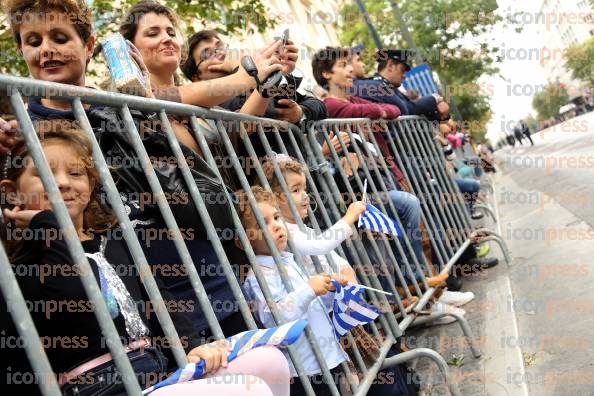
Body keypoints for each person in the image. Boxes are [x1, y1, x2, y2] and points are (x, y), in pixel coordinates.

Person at [0, 0, 253, 348]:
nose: (47, 51)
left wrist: (149, 123)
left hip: (217, 288)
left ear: (89, 47)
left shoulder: (128, 110)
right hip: (137, 327)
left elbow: (208, 200)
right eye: (33, 41)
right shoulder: (22, 139)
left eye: (59, 38)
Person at [0, 120, 290, 396]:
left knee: (271, 362)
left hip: (154, 373)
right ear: (11, 193)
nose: (61, 183)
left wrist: (189, 346)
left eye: (75, 173)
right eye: (44, 173)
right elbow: (71, 298)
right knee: (249, 390)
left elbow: (157, 300)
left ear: (90, 185)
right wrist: (50, 228)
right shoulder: (24, 264)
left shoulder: (111, 241)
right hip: (102, 387)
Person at [238, 186, 350, 396]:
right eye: (263, 224)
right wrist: (309, 289)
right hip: (305, 371)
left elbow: (312, 306)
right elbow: (274, 320)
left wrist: (330, 289)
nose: (277, 227)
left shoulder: (288, 261)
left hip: (328, 357)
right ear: (242, 242)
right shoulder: (259, 277)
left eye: (277, 217)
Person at [352, 49, 450, 121]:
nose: (404, 76)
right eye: (402, 70)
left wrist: (441, 114)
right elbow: (406, 109)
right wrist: (435, 98)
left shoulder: (390, 88)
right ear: (390, 66)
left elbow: (412, 108)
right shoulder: (377, 86)